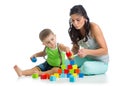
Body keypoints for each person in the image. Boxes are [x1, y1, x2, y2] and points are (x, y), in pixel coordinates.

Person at [67, 5, 109, 75]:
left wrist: (87, 52)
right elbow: (75, 48)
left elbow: (105, 50)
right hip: (87, 58)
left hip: (101, 62)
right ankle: (75, 69)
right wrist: (70, 53)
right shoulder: (75, 30)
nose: (75, 23)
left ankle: (76, 70)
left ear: (84, 17)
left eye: (78, 20)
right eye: (73, 20)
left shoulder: (94, 27)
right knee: (66, 63)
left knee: (86, 66)